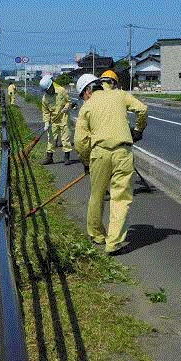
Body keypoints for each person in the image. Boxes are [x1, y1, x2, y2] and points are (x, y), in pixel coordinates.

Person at [73, 73, 148, 254]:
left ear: (88, 90)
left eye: (83, 94)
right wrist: (137, 129)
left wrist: (85, 161)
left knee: (97, 195)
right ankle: (113, 242)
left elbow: (80, 141)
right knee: (120, 198)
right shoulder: (119, 95)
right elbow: (143, 109)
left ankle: (97, 234)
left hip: (99, 154)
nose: (84, 98)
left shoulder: (87, 107)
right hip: (123, 152)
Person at [39, 74, 73, 165]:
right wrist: (46, 123)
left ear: (51, 85)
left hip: (63, 118)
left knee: (66, 138)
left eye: (48, 89)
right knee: (51, 139)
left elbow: (68, 102)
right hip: (53, 120)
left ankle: (67, 157)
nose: (47, 91)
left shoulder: (61, 91)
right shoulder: (45, 98)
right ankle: (49, 158)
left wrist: (66, 107)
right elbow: (45, 112)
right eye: (46, 90)